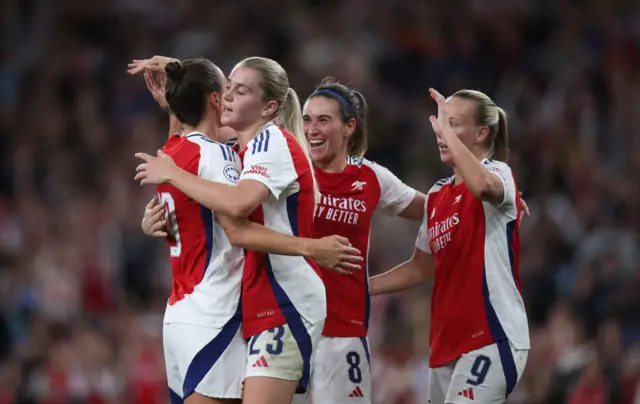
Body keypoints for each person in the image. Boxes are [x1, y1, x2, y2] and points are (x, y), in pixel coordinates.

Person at [130, 57, 361, 404]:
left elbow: (237, 210)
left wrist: (173, 174)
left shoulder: (271, 143)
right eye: (226, 89)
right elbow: (195, 138)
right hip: (254, 300)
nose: (227, 97)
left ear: (268, 107)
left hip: (286, 298)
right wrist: (177, 98)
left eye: (240, 90)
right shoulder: (241, 146)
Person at [369, 88, 529, 404]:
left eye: (454, 124)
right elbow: (421, 266)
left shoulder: (498, 172)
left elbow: (483, 186)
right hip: (445, 345)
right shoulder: (438, 195)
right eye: (442, 125)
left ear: (482, 133)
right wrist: (362, 286)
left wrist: (448, 136)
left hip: (492, 335)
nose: (442, 134)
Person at [297, 79, 426, 404]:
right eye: (307, 119)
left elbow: (432, 209)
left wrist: (487, 203)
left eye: (324, 120)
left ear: (349, 127)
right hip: (287, 328)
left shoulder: (370, 177)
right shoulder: (288, 170)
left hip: (344, 333)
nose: (312, 129)